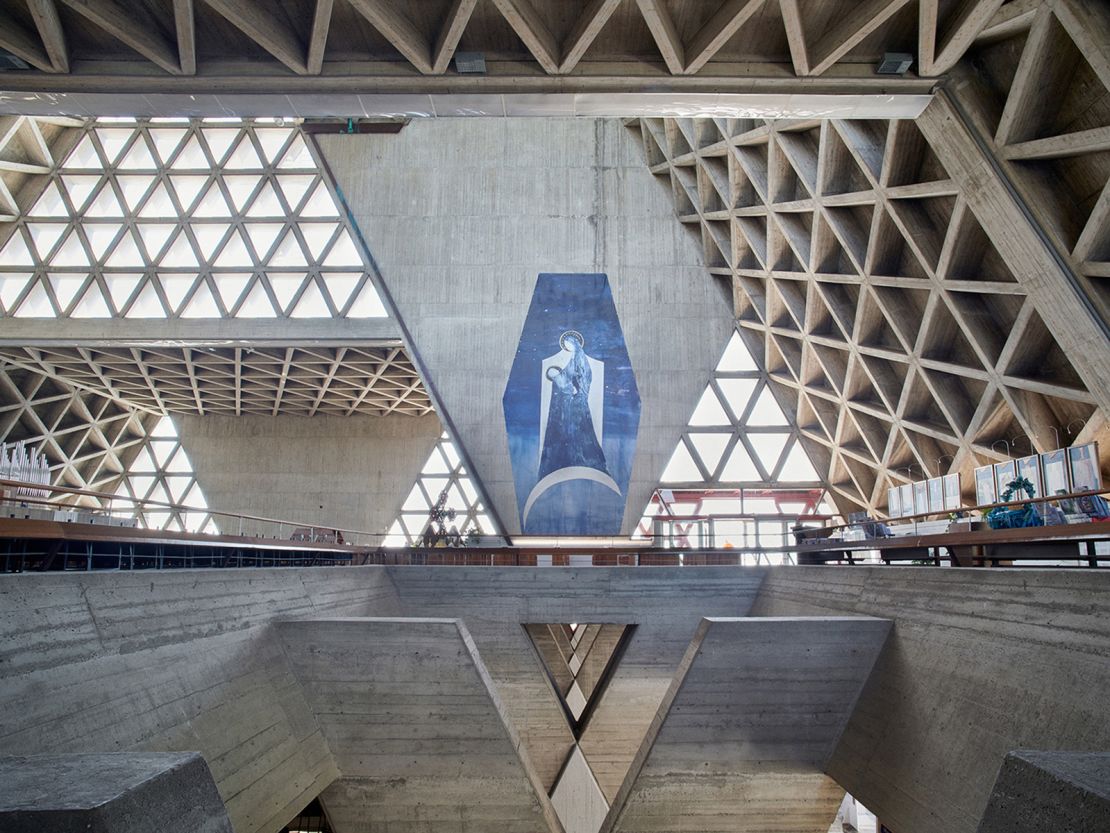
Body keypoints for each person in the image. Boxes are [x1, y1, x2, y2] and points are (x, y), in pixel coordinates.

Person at [538, 331, 608, 479]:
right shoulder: (562, 378)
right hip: (568, 410)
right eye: (553, 377)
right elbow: (564, 388)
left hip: (578, 407)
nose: (555, 376)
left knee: (583, 435)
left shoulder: (576, 361)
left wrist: (575, 390)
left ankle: (585, 460)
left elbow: (583, 377)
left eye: (571, 344)